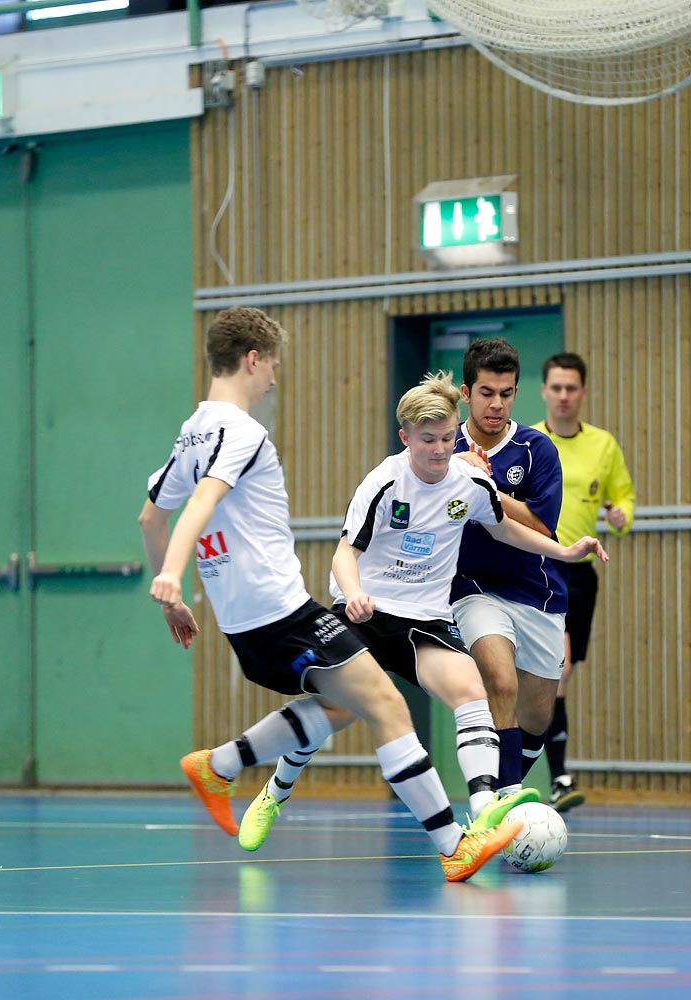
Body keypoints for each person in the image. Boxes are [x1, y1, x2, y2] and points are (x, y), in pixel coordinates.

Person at [137, 307, 521, 882]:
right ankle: (454, 846)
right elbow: (200, 504)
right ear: (251, 360)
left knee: (345, 705)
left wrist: (177, 596)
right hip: (280, 609)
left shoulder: (191, 431)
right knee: (388, 708)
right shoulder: (241, 431)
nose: (273, 379)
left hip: (244, 617)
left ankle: (220, 765)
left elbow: (150, 517)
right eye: (271, 367)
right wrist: (169, 577)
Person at [237, 372, 607, 849]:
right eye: (428, 440)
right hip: (367, 611)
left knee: (470, 688)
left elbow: (504, 529)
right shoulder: (383, 482)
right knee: (336, 711)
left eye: (448, 438)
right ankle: (276, 789)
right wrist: (353, 594)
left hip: (425, 619)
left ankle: (484, 808)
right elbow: (344, 552)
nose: (439, 449)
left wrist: (563, 552)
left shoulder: (472, 480)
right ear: (406, 437)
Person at [448, 338, 569, 800]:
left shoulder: (537, 450)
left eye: (506, 393)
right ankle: (507, 800)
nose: (495, 404)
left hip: (536, 590)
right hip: (472, 588)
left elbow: (541, 524)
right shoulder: (446, 446)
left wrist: (484, 488)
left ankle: (512, 774)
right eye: (485, 392)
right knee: (499, 679)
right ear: (465, 392)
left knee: (538, 715)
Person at [534, 352, 636, 811]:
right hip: (538, 569)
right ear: (544, 392)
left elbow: (624, 500)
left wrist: (620, 515)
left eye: (571, 388)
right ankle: (555, 776)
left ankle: (555, 776)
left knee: (559, 675)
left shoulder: (603, 445)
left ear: (583, 393)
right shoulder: (531, 441)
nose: (563, 396)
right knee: (558, 669)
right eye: (555, 387)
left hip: (580, 574)